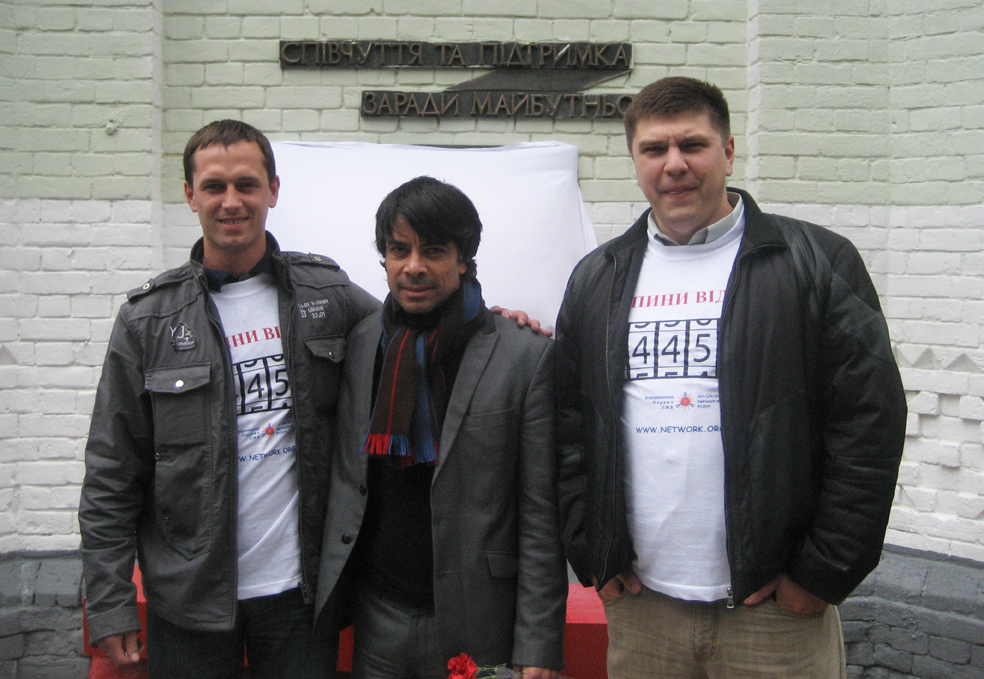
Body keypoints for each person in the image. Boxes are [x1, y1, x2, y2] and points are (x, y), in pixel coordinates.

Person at [555, 76, 907, 678]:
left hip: (774, 615)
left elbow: (868, 424)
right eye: (654, 149)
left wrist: (820, 573)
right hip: (643, 610)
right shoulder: (597, 277)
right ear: (635, 163)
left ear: (728, 152)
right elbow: (567, 426)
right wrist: (590, 550)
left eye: (692, 145)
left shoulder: (815, 262)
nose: (674, 164)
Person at [78, 119, 380, 678]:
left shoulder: (328, 294)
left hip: (300, 597)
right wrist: (110, 600)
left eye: (247, 184)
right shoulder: (148, 321)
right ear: (190, 195)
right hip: (188, 600)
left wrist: (496, 324)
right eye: (214, 186)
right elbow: (111, 473)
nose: (232, 201)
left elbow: (410, 334)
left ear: (273, 190)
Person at [314, 176, 567, 679]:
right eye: (399, 250)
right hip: (376, 617)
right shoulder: (362, 341)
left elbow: (540, 514)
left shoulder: (524, 356)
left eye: (433, 251)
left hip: (479, 620)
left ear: (464, 259)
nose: (414, 267)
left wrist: (539, 643)